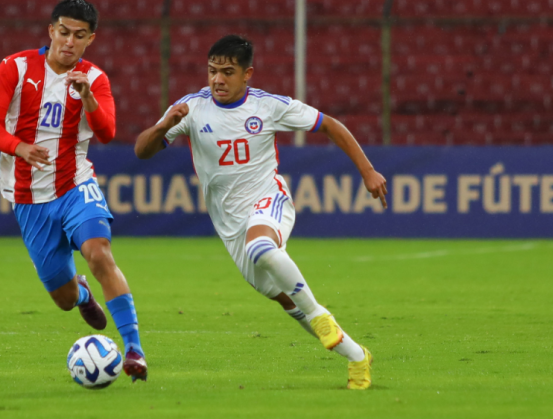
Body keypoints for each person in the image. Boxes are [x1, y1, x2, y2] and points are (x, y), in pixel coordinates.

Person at [134, 34, 387, 389]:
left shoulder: (268, 106)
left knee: (262, 248)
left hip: (269, 199)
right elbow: (142, 151)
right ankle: (357, 357)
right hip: (229, 225)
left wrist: (367, 170)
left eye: (227, 72)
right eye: (212, 71)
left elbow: (329, 124)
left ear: (247, 74)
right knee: (286, 299)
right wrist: (163, 126)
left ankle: (320, 314)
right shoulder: (191, 108)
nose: (218, 79)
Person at [0, 0, 147, 382]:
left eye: (79, 35)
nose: (69, 42)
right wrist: (19, 147)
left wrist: (87, 96)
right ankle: (83, 294)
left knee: (99, 252)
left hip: (75, 185)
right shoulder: (15, 68)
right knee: (64, 299)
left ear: (91, 39)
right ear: (51, 30)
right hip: (28, 198)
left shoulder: (95, 79)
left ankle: (134, 349)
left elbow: (107, 133)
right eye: (64, 32)